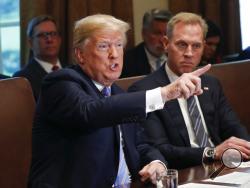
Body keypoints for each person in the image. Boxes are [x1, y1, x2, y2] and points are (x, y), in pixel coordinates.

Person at [28, 14, 211, 188]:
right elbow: (90, 112)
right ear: (80, 54)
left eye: (119, 45)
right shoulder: (60, 83)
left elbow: (140, 143)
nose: (114, 54)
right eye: (103, 46)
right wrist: (164, 93)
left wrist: (156, 162)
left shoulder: (115, 91)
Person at [129, 12, 250, 170]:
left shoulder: (211, 84)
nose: (189, 53)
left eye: (196, 46)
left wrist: (246, 147)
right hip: (184, 172)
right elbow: (160, 149)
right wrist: (211, 153)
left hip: (221, 168)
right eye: (182, 44)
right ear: (166, 43)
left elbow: (233, 127)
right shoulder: (146, 91)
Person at [13, 15, 63, 101]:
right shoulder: (22, 79)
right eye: (42, 35)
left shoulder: (74, 69)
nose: (49, 39)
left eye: (53, 34)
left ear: (59, 39)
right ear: (30, 43)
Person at [121, 8, 172, 78]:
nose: (162, 40)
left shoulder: (176, 57)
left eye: (166, 33)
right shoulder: (126, 61)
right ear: (144, 34)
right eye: (157, 33)